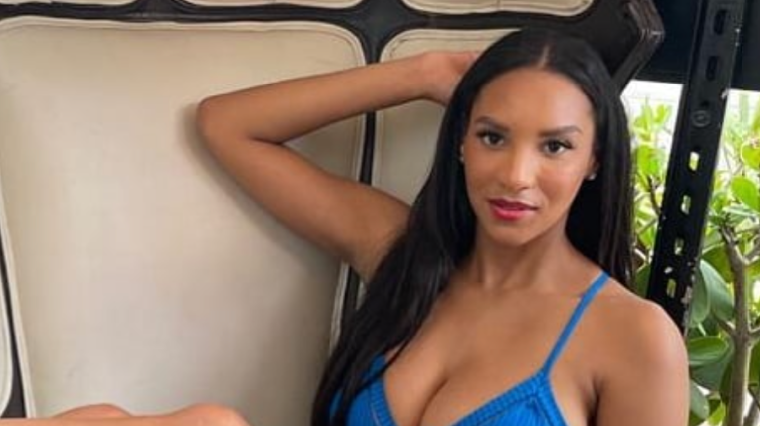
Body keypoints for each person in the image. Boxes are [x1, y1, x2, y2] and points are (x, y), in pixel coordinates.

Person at [2, 28, 687, 426]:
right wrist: (424, 74)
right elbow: (227, 125)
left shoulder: (632, 338)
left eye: (555, 146)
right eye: (492, 136)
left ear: (596, 161)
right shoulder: (403, 255)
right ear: (459, 142)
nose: (515, 175)